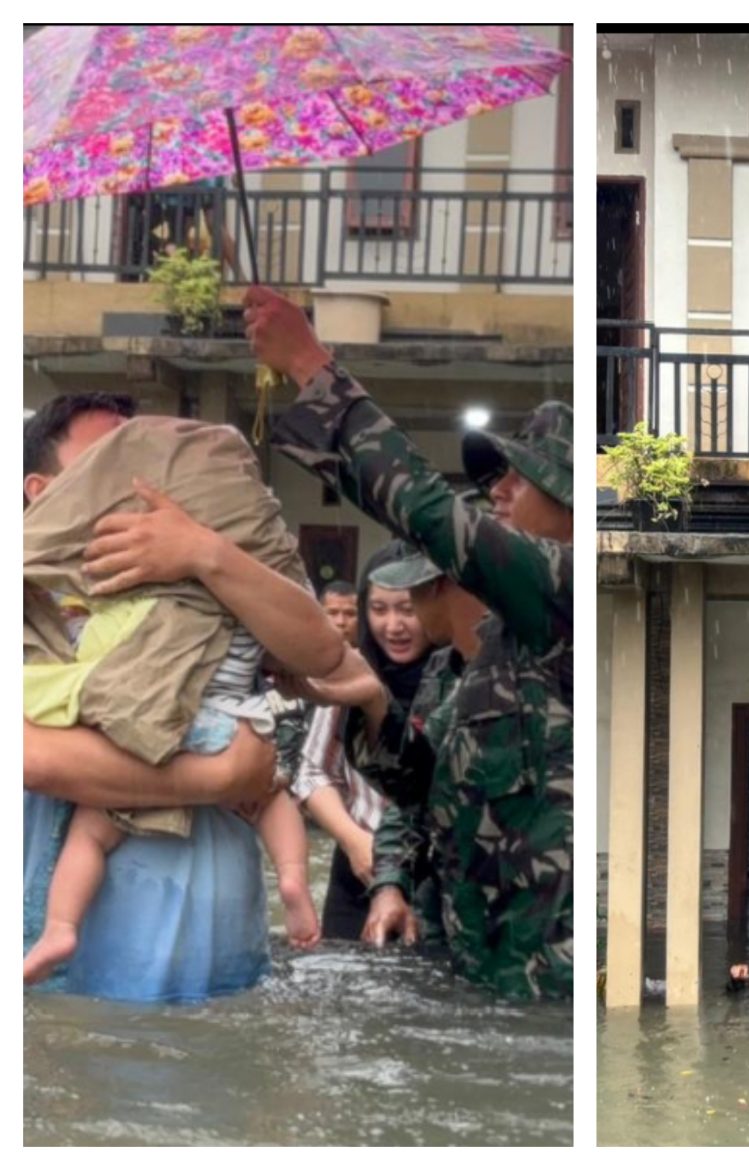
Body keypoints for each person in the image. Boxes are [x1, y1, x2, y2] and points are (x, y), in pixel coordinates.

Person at [242, 284, 573, 999]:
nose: (501, 492)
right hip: (466, 967)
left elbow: (426, 508)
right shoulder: (488, 650)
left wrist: (310, 365)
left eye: (525, 479)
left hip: (544, 989)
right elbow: (423, 789)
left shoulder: (563, 588)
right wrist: (369, 704)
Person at [21, 393, 368, 992]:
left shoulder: (214, 567)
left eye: (150, 454)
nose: (141, 475)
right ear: (40, 489)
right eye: (110, 457)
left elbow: (320, 650)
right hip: (74, 922)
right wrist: (228, 774)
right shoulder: (26, 593)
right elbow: (32, 756)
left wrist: (206, 553)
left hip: (215, 920)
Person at [290, 554, 435, 941]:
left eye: (407, 609)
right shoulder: (353, 670)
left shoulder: (453, 675)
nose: (394, 626)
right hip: (357, 862)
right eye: (378, 609)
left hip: (431, 873)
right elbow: (312, 771)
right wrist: (355, 842)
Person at [354, 544, 488, 949]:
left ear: (442, 588)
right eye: (380, 608)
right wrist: (389, 885)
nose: (399, 618)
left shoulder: (527, 666)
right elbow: (415, 791)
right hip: (439, 917)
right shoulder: (443, 670)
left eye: (411, 596)